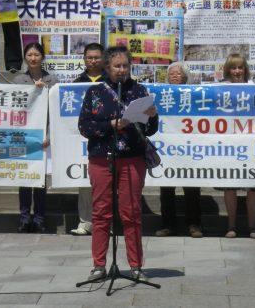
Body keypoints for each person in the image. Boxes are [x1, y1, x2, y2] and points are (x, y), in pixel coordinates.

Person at [78, 46, 159, 282]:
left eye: (125, 66)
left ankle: (135, 266)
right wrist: (112, 125)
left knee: (131, 212)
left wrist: (152, 115)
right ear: (107, 67)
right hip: (102, 158)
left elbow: (150, 130)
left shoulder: (139, 90)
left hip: (132, 157)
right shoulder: (95, 92)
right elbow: (85, 127)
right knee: (101, 212)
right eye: (117, 66)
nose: (122, 70)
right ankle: (99, 265)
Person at [12, 43, 57, 233]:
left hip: (44, 135)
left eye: (36, 54)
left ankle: (39, 218)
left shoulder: (52, 79)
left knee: (39, 179)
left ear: (43, 57)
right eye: (29, 54)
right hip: (23, 135)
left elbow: (54, 109)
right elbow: (13, 106)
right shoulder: (18, 79)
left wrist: (49, 134)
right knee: (24, 177)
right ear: (24, 57)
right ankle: (24, 218)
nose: (33, 58)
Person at [156, 62, 203, 238]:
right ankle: (168, 225)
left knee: (192, 188)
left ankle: (194, 224)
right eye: (172, 74)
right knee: (166, 187)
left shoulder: (195, 95)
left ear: (185, 76)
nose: (175, 76)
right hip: (166, 147)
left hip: (189, 148)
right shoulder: (161, 95)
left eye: (178, 73)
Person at [220, 53, 255, 239]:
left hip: (251, 143)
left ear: (245, 69)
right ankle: (231, 226)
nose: (237, 71)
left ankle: (252, 226)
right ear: (228, 70)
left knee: (253, 187)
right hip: (229, 144)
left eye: (240, 67)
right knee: (230, 186)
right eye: (233, 68)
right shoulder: (221, 90)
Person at [70, 43, 105, 236]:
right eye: (89, 57)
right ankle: (85, 222)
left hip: (105, 139)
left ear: (103, 59)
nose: (92, 60)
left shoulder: (110, 81)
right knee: (84, 182)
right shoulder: (76, 83)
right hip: (81, 140)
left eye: (96, 57)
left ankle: (105, 225)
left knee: (107, 186)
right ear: (84, 59)